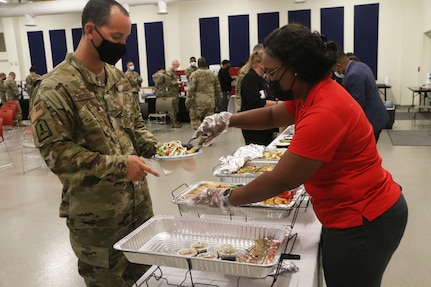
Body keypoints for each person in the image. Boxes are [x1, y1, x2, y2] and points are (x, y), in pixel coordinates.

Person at [192, 23, 408, 287]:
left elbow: (280, 180)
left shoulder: (325, 109)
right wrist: (228, 120)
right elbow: (273, 114)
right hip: (348, 212)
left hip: (364, 218)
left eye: (272, 72)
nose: (268, 79)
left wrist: (226, 197)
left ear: (298, 67)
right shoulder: (312, 92)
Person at [29, 1, 161, 286]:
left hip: (139, 209)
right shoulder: (55, 88)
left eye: (126, 37)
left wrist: (159, 147)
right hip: (98, 222)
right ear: (91, 30)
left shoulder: (117, 78)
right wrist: (118, 166)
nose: (123, 44)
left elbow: (134, 127)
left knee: (147, 278)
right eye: (116, 37)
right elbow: (57, 154)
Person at [333, 51, 389, 142]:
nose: (335, 72)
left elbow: (356, 105)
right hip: (377, 115)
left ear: (338, 66)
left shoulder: (353, 75)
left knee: (366, 151)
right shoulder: (360, 65)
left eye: (334, 70)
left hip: (371, 119)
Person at [240, 50, 277, 145]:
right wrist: (277, 104)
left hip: (264, 124)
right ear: (261, 64)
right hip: (254, 125)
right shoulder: (250, 79)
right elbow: (256, 102)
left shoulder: (261, 80)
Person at [185, 57, 222, 130]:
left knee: (195, 120)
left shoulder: (194, 74)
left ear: (198, 64)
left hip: (198, 103)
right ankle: (208, 135)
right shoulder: (212, 74)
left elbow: (191, 89)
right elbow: (218, 89)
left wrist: (187, 102)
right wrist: (218, 102)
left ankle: (201, 133)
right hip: (210, 102)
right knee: (209, 121)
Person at [235, 44, 264, 112]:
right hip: (247, 105)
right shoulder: (245, 70)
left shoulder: (262, 69)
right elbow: (239, 89)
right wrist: (239, 108)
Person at [165, 59, 182, 128]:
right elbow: (169, 83)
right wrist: (176, 82)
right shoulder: (169, 72)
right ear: (174, 65)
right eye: (177, 66)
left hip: (175, 92)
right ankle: (173, 122)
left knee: (176, 107)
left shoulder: (173, 72)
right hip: (171, 92)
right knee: (173, 108)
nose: (177, 67)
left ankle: (175, 120)